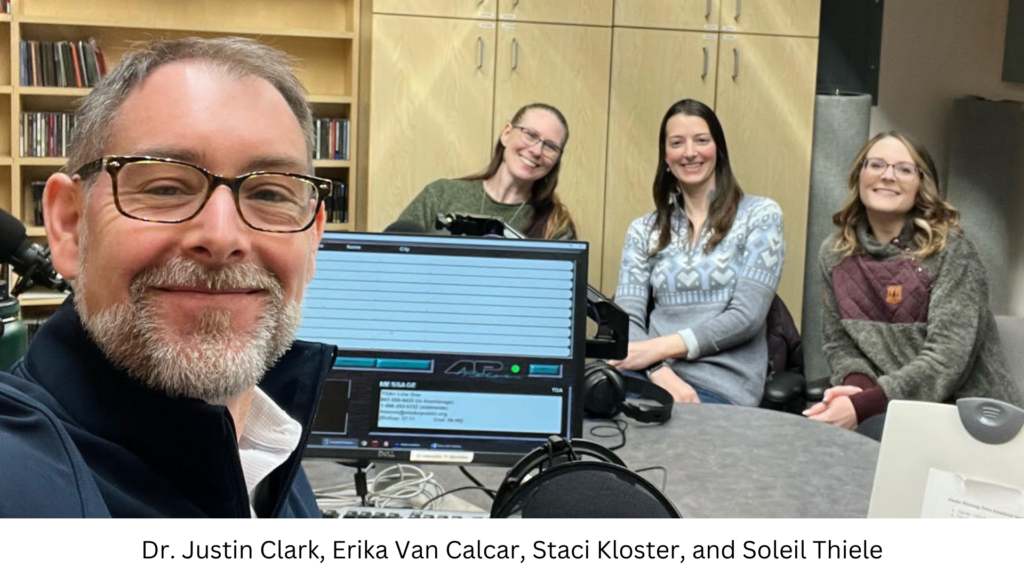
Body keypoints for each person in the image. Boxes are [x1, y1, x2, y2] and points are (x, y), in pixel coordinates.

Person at [0, 37, 336, 517]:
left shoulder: (266, 443)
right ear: (70, 225)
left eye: (270, 195)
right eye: (165, 186)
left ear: (313, 239)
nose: (222, 237)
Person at [805, 131, 1023, 435]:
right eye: (877, 165)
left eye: (904, 169)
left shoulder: (951, 251)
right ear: (859, 175)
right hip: (885, 405)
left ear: (921, 185)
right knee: (817, 439)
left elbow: (947, 360)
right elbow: (840, 344)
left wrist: (865, 406)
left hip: (966, 412)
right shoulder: (835, 253)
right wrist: (858, 391)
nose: (888, 176)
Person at [609, 99, 785, 406]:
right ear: (666, 156)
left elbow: (747, 317)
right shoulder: (642, 230)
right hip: (649, 376)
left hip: (721, 386)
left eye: (701, 140)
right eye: (677, 143)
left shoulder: (761, 215)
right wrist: (658, 369)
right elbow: (626, 320)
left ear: (718, 149)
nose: (690, 152)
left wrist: (659, 349)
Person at [397, 103, 577, 239]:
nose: (537, 151)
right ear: (506, 134)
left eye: (550, 147)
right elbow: (388, 261)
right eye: (530, 135)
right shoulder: (440, 195)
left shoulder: (557, 226)